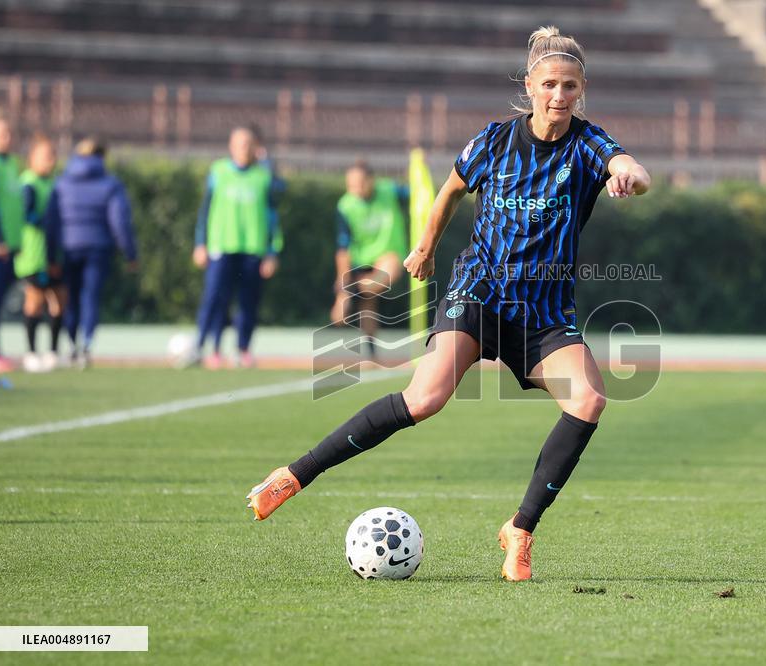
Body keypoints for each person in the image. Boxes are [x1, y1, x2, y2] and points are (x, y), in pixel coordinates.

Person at [247, 26, 650, 582]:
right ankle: (294, 474)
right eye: (551, 84)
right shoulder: (493, 140)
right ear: (529, 85)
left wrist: (630, 175)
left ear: (582, 91)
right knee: (426, 398)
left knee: (589, 400)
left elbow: (631, 167)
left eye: (571, 87)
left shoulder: (587, 145)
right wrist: (425, 248)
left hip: (544, 315)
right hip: (477, 293)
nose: (560, 96)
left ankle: (520, 529)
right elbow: (451, 190)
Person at [189, 126, 281, 369]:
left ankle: (243, 349)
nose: (244, 149)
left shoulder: (264, 176)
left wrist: (273, 252)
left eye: (249, 144)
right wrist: (200, 244)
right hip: (221, 246)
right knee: (215, 299)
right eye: (240, 144)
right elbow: (205, 209)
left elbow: (273, 216)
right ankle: (207, 348)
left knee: (248, 302)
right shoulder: (218, 172)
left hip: (253, 249)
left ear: (256, 147)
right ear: (231, 146)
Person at [48, 136, 137, 369]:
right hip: (98, 248)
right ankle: (86, 347)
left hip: (69, 248)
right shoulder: (110, 183)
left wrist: (50, 255)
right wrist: (130, 252)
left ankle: (71, 345)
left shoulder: (62, 182)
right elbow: (119, 221)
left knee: (72, 298)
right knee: (90, 297)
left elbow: (52, 221)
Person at [329, 160, 408, 358]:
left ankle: (351, 291)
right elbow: (343, 247)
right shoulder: (346, 205)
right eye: (351, 185)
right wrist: (342, 281)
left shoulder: (390, 191)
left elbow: (418, 194)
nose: (355, 189)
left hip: (388, 253)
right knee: (355, 312)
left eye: (360, 183)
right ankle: (371, 352)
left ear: (371, 180)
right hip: (359, 260)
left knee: (386, 275)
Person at [16, 133, 65, 372]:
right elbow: (27, 215)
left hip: (54, 252)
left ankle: (53, 351)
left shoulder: (55, 183)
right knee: (34, 301)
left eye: (53, 155)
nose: (51, 160)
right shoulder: (28, 183)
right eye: (45, 156)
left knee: (58, 300)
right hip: (34, 254)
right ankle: (31, 352)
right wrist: (47, 222)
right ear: (31, 159)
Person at [0, 111, 25, 374]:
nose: (6, 138)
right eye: (1, 134)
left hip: (9, 245)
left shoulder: (12, 164)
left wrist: (16, 240)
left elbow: (14, 206)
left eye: (9, 133)